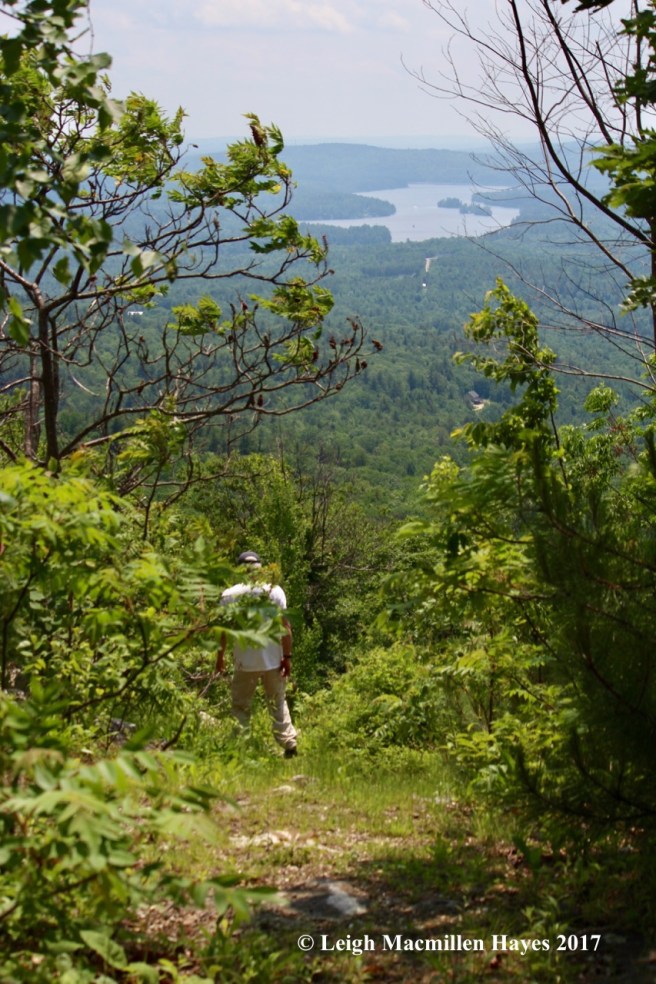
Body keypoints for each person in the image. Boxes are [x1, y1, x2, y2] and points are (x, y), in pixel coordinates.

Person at [216, 550, 298, 757]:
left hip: (244, 662)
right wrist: (287, 657)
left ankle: (240, 748)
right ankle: (289, 744)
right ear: (261, 569)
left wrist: (220, 659)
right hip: (273, 660)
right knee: (277, 702)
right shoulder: (275, 591)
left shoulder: (229, 595)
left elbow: (222, 632)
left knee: (241, 706)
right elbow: (285, 627)